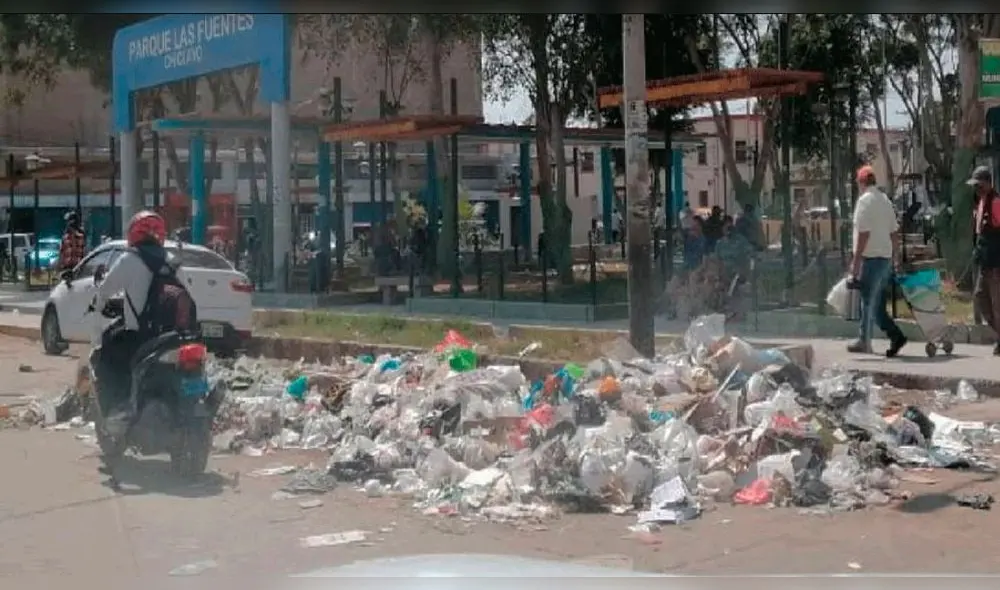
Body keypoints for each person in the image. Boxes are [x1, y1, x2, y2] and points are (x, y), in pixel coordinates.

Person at [92, 211, 198, 425]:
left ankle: (117, 406)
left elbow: (105, 290)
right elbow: (188, 293)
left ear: (133, 233)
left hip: (140, 336)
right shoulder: (171, 262)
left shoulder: (129, 259)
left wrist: (97, 304)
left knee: (106, 353)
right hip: (174, 337)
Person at [847, 165, 906, 356]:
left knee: (867, 300)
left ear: (861, 182)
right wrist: (896, 258)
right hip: (885, 259)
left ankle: (864, 341)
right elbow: (894, 232)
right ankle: (896, 335)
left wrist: (855, 265)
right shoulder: (884, 200)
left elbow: (863, 234)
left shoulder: (864, 202)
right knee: (876, 304)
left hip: (870, 259)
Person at [969, 165, 1000, 355]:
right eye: (975, 186)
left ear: (988, 184)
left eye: (979, 185)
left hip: (996, 264)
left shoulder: (996, 202)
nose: (977, 189)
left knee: (998, 305)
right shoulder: (980, 203)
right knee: (980, 298)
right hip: (984, 263)